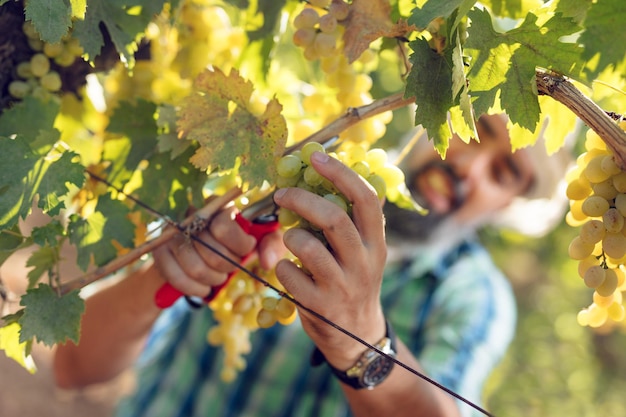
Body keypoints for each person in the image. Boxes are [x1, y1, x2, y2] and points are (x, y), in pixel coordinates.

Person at [52, 113, 571, 417]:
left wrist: (364, 344)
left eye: (503, 171)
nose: (467, 164)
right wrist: (160, 279)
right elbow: (74, 369)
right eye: (476, 129)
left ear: (510, 204)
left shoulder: (474, 298)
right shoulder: (282, 183)